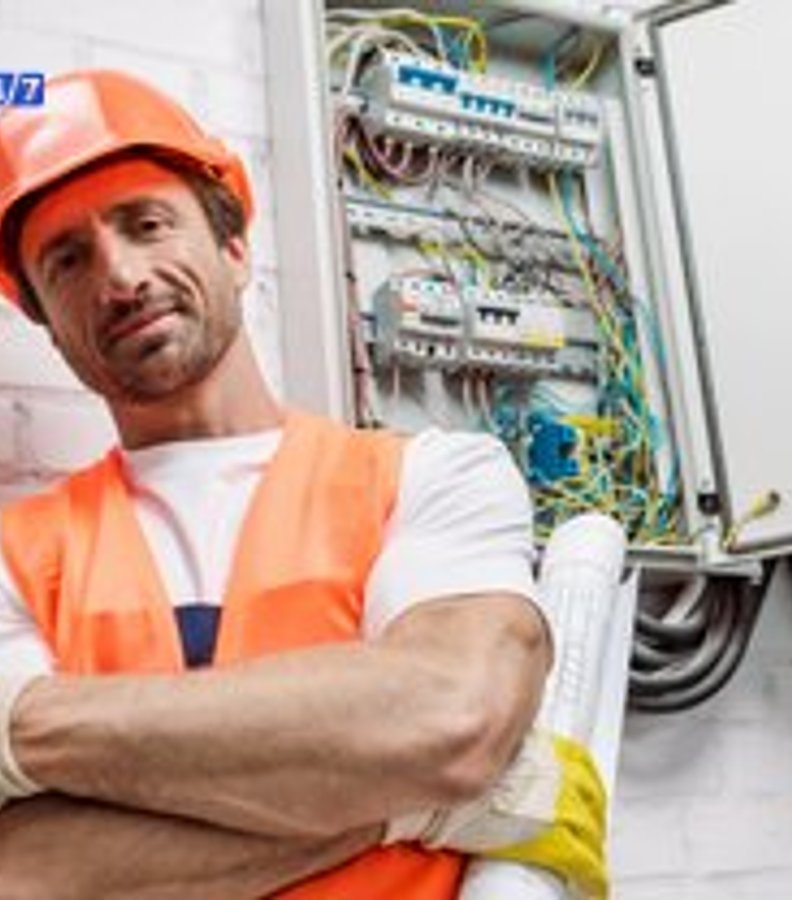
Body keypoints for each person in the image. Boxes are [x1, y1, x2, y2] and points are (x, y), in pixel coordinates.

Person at [0, 69, 607, 899]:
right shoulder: (15, 557)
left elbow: (452, 723)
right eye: (67, 259)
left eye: (147, 223)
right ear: (43, 318)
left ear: (236, 248)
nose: (120, 276)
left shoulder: (427, 477)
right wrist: (412, 801)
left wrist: (25, 725)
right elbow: (22, 874)